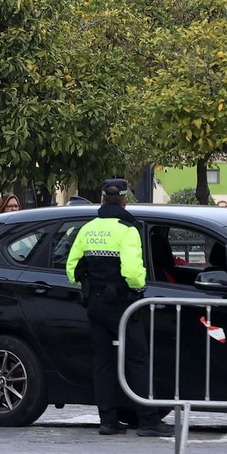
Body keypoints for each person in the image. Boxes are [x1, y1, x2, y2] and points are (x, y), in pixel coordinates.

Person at [65, 179, 174, 438]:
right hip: (121, 305)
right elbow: (133, 272)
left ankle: (108, 421)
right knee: (137, 359)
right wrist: (140, 286)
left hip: (95, 304)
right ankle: (148, 420)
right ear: (125, 201)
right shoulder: (128, 229)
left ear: (103, 200)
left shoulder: (88, 228)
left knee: (102, 362)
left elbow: (71, 269)